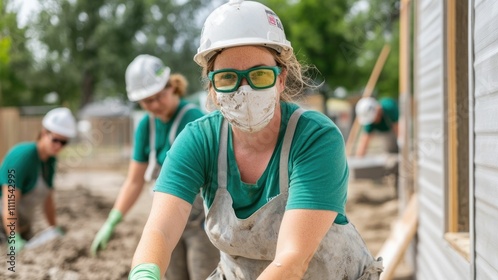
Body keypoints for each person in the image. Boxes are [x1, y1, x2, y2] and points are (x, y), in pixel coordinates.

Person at [128, 1, 383, 279]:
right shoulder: (199, 140)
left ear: (281, 78)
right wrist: (144, 272)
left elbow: (292, 259)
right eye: (228, 78)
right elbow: (160, 230)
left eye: (259, 75)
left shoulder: (315, 139)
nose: (244, 89)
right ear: (212, 87)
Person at [90, 54, 219, 280]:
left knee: (203, 274)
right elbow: (134, 180)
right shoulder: (145, 127)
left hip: (201, 223)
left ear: (171, 86)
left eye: (160, 96)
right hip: (167, 219)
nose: (155, 105)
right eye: (148, 101)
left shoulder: (194, 120)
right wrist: (113, 220)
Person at [0, 107, 76, 252]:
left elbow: (48, 200)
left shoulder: (50, 161)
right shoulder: (22, 156)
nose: (59, 146)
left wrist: (54, 229)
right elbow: (9, 202)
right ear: (43, 133)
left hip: (22, 228)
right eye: (55, 140)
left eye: (64, 142)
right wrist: (13, 238)